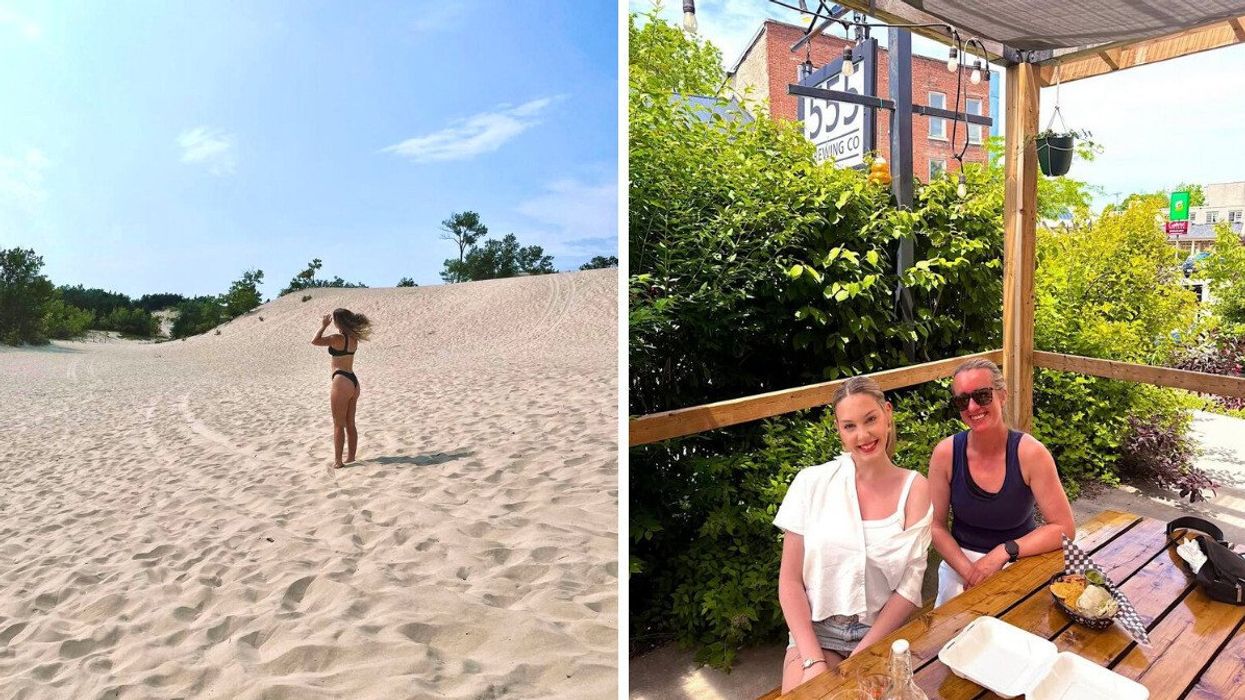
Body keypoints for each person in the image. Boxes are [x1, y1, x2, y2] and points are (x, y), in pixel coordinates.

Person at [775, 377, 933, 693]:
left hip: (880, 633)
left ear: (888, 414)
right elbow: (790, 581)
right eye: (850, 426)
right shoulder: (811, 483)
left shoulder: (915, 489)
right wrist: (813, 661)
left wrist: (861, 658)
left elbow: (908, 587)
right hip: (815, 634)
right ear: (839, 430)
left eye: (870, 419)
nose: (863, 435)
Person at [929, 358, 1075, 606]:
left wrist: (1003, 551)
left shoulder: (1030, 453)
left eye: (982, 396)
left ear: (1002, 395)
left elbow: (1064, 527)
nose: (973, 407)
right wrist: (971, 572)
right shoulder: (946, 454)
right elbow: (935, 526)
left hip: (1020, 557)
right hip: (961, 563)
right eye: (963, 400)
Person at [311, 308, 372, 469]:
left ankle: (338, 461)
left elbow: (315, 341)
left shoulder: (337, 338)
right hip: (353, 381)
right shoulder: (354, 338)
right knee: (350, 422)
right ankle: (351, 457)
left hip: (341, 380)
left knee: (338, 424)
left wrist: (323, 325)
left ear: (338, 322)